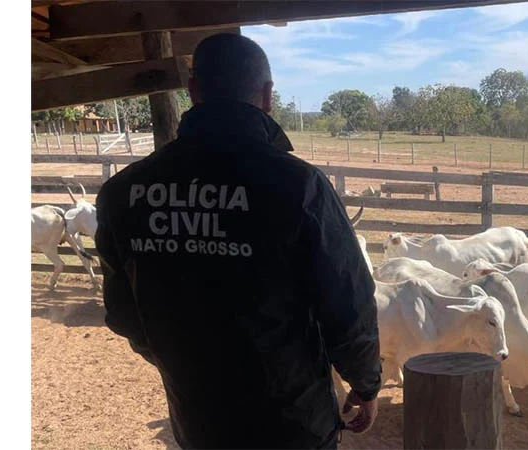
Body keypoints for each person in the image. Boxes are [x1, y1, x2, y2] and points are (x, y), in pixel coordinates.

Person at [94, 33, 381, 449]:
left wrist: (180, 359)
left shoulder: (124, 191)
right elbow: (348, 303)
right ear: (267, 96)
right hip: (292, 422)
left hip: (200, 421)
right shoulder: (298, 186)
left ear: (193, 91)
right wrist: (366, 384)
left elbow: (122, 311)